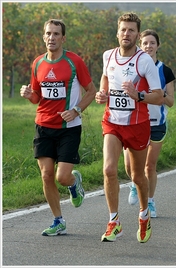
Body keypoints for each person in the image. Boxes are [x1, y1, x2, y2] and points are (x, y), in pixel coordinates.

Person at [19, 19, 96, 236]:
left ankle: (74, 182)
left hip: (69, 127)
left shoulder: (74, 62)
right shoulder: (38, 63)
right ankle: (58, 220)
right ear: (43, 37)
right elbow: (37, 97)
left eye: (56, 34)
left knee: (62, 177)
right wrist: (28, 95)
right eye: (48, 33)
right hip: (43, 126)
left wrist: (76, 111)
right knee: (46, 175)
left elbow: (91, 90)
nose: (51, 38)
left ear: (63, 38)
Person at [95, 12, 163, 243]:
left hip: (137, 125)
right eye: (123, 29)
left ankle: (144, 215)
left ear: (137, 34)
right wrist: (102, 93)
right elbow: (105, 79)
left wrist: (138, 95)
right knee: (109, 170)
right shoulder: (108, 56)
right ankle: (114, 221)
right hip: (112, 122)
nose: (126, 33)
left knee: (137, 176)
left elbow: (159, 95)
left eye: (131, 30)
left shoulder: (144, 60)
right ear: (117, 32)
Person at [125, 29, 176, 217]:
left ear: (158, 46)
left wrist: (156, 93)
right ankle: (134, 183)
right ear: (140, 44)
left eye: (152, 43)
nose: (148, 47)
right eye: (145, 43)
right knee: (130, 166)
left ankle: (151, 201)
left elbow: (170, 101)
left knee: (149, 166)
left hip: (156, 124)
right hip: (133, 122)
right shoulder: (132, 67)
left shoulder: (165, 70)